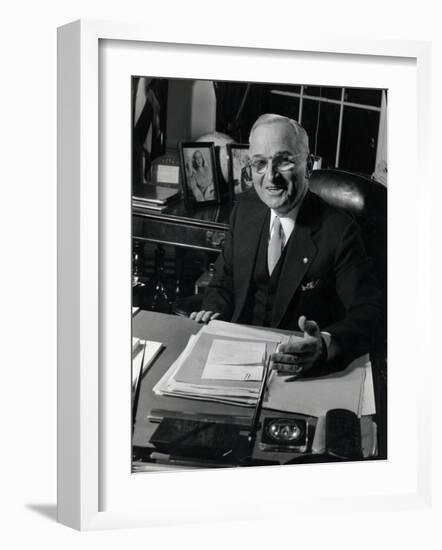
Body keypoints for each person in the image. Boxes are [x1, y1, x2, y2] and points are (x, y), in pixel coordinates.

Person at [190, 113, 382, 377]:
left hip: (302, 371)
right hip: (236, 362)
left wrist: (324, 344)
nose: (270, 177)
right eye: (259, 164)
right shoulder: (244, 212)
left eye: (283, 162)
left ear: (309, 165)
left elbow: (370, 313)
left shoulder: (340, 231)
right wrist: (214, 314)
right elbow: (224, 280)